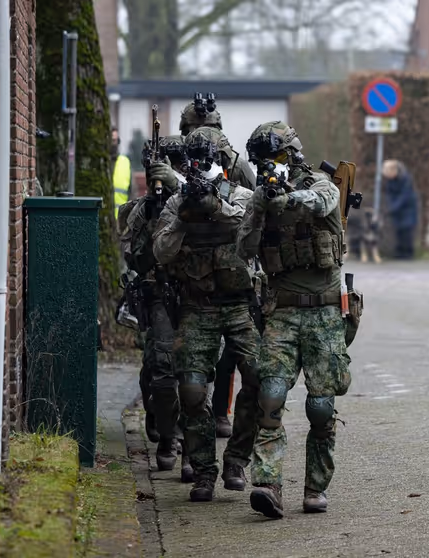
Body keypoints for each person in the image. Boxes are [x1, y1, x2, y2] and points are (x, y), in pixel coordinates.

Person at [238, 121, 352, 518]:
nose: (270, 165)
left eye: (277, 157)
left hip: (323, 311)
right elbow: (243, 249)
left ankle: (315, 487)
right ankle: (267, 484)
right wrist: (259, 206)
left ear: (293, 154)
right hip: (282, 311)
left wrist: (287, 198)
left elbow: (322, 202)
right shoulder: (262, 199)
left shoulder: (321, 183)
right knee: (270, 395)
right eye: (263, 161)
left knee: (320, 406)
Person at [152, 128, 261, 502]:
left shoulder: (240, 195)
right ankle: (202, 470)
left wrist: (216, 207)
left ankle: (237, 460)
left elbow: (248, 233)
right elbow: (161, 252)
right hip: (197, 305)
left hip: (239, 305)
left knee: (259, 379)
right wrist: (184, 217)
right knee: (192, 388)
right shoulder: (176, 202)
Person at [179, 101, 256, 438]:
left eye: (208, 129)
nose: (202, 135)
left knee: (231, 356)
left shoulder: (234, 164)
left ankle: (221, 411)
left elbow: (253, 208)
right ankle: (186, 422)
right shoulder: (178, 158)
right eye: (194, 130)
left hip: (230, 267)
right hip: (191, 270)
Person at [119, 136, 193, 482]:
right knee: (161, 371)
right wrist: (154, 210)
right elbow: (134, 257)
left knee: (195, 374)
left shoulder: (200, 197)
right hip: (160, 294)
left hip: (197, 294)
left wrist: (181, 194)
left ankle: (192, 447)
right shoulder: (143, 208)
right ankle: (167, 433)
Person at [382, 160, 419, 260]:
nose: (386, 176)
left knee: (406, 230)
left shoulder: (406, 179)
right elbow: (389, 194)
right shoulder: (390, 180)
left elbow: (405, 196)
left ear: (394, 171)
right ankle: (399, 252)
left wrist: (393, 207)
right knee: (398, 230)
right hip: (397, 209)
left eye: (388, 173)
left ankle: (408, 253)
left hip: (407, 208)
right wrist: (390, 206)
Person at [111, 127, 133, 220]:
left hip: (120, 220)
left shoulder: (125, 162)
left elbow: (132, 192)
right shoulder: (100, 162)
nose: (113, 143)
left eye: (115, 140)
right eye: (111, 140)